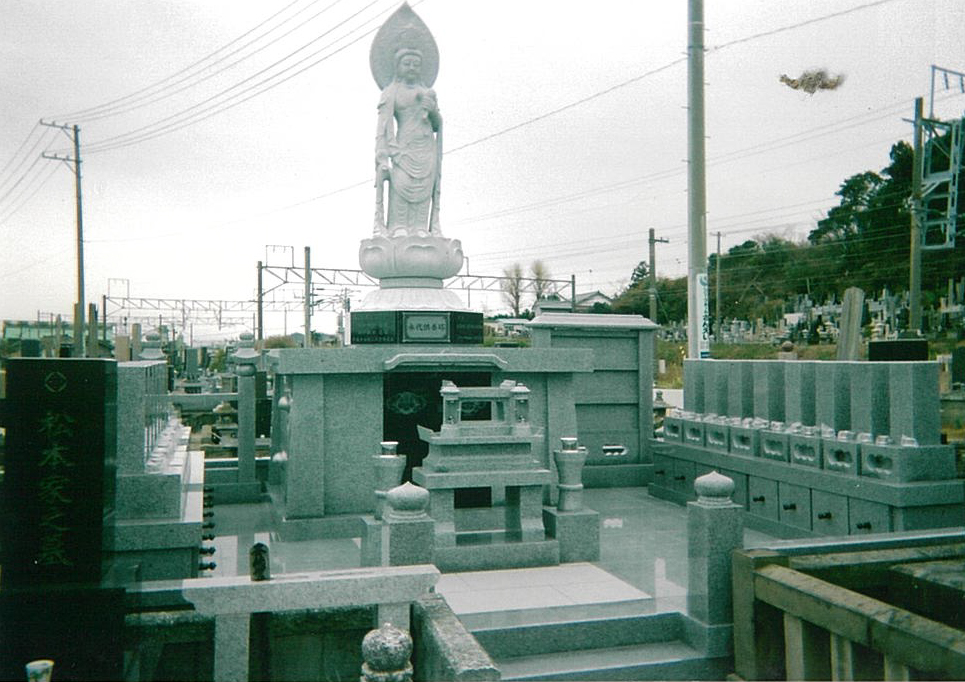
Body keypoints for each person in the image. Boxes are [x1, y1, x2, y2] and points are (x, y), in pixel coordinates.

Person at [374, 48, 442, 236]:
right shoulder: (391, 92)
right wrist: (385, 155)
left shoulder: (427, 93)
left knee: (424, 189)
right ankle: (398, 226)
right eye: (407, 63)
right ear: (397, 66)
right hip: (402, 150)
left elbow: (437, 125)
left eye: (416, 64)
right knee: (401, 185)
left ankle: (420, 227)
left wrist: (434, 112)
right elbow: (384, 127)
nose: (412, 67)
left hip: (426, 150)